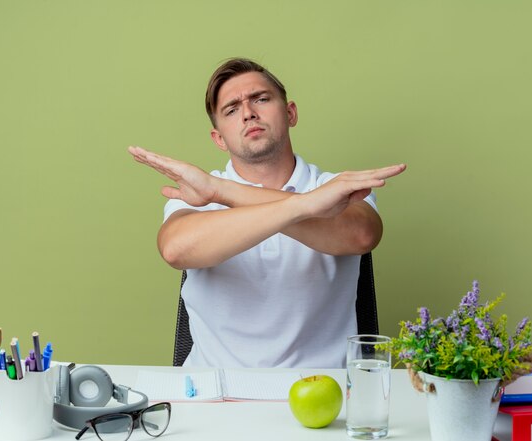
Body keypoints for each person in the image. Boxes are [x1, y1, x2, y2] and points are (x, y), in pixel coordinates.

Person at [128, 58, 406, 368]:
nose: (248, 113)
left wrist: (221, 190)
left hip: (326, 393)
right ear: (218, 138)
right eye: (232, 110)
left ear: (290, 113)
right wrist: (306, 205)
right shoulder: (195, 195)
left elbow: (361, 234)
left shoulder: (333, 187)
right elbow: (175, 249)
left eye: (261, 99)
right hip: (215, 396)